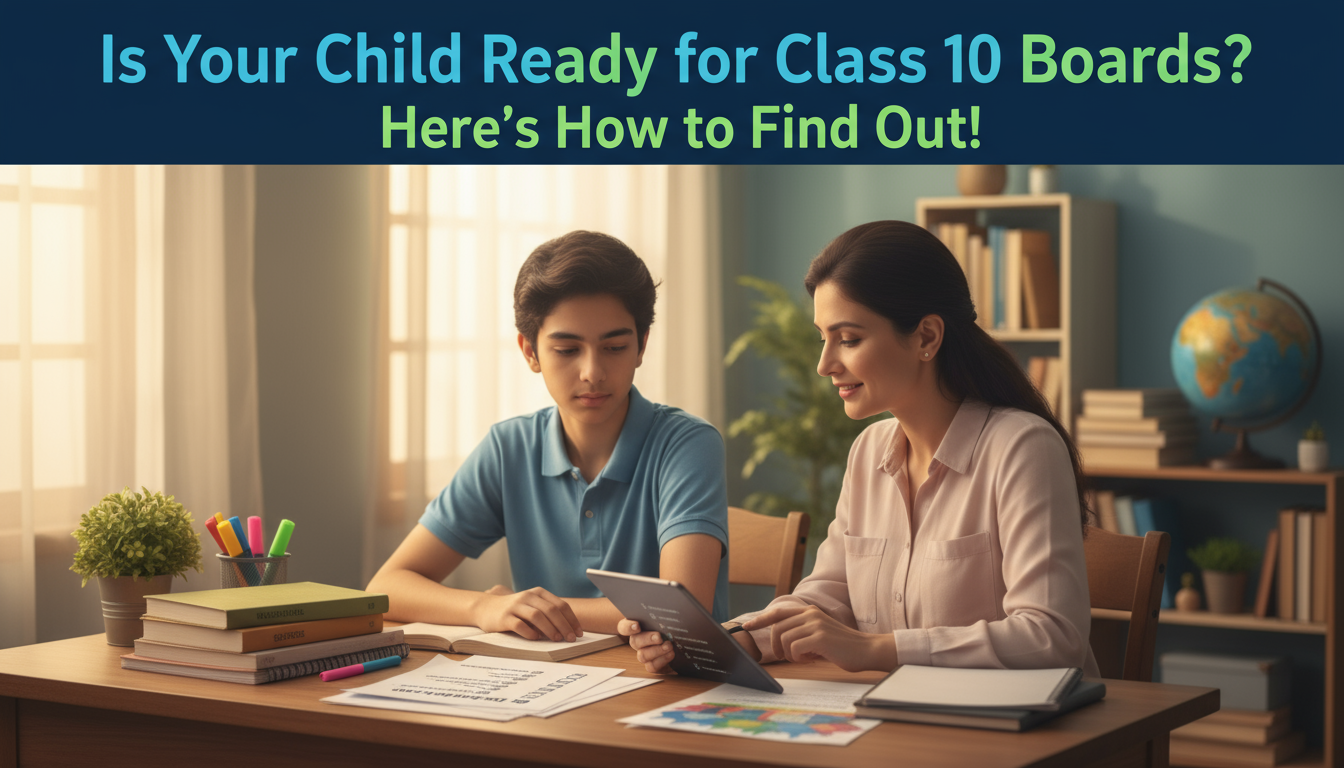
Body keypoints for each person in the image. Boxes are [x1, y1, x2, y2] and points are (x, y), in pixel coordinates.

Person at [622, 220, 1099, 675]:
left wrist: (874, 649)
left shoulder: (1022, 448)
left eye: (848, 339)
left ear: (926, 337)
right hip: (898, 720)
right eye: (823, 339)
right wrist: (723, 642)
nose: (825, 364)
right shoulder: (869, 451)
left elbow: (1053, 636)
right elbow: (827, 596)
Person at [368, 230, 730, 642]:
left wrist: (529, 608)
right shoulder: (509, 448)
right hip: (548, 689)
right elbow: (387, 587)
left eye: (614, 347)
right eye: (567, 349)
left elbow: (681, 609)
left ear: (641, 346)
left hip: (668, 689)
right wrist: (485, 607)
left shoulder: (687, 445)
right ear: (530, 352)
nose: (592, 371)